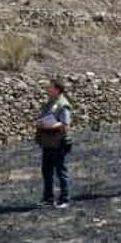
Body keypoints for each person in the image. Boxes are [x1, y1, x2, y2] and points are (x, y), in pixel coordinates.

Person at [35, 77, 74, 208]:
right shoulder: (49, 103)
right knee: (47, 171)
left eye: (50, 87)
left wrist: (49, 126)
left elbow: (64, 123)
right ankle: (48, 198)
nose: (47, 89)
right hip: (47, 143)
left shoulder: (63, 104)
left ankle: (64, 199)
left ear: (57, 89)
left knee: (60, 171)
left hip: (58, 142)